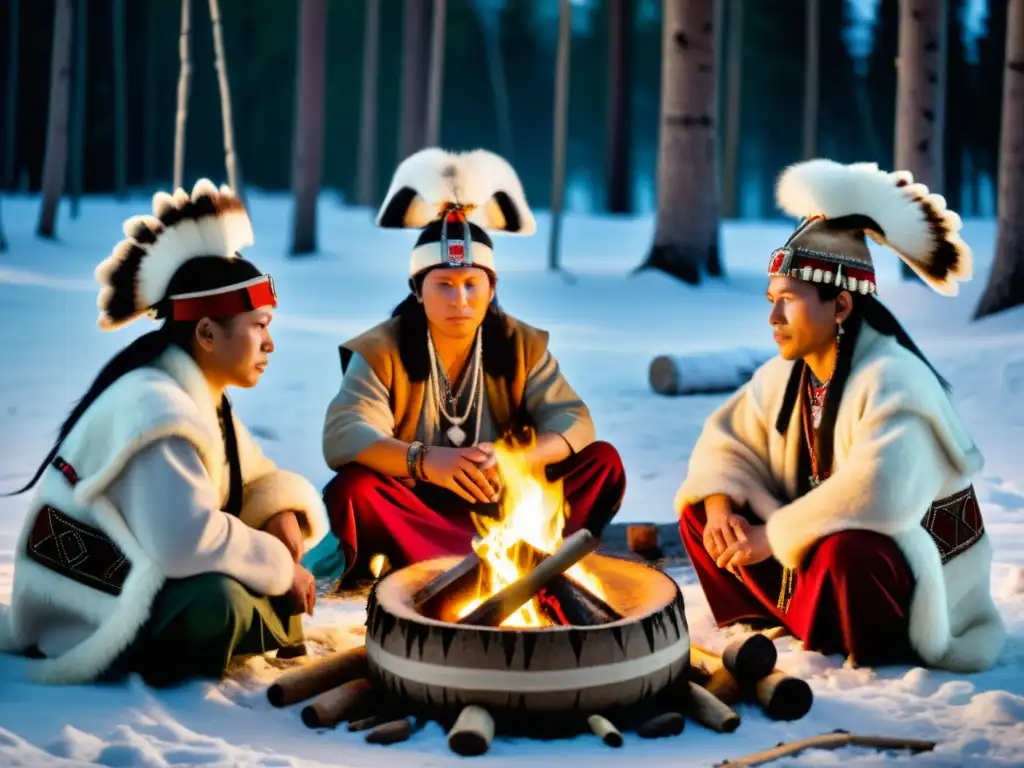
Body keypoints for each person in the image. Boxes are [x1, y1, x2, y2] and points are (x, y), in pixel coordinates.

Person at [675, 159, 1004, 672]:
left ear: (842, 307)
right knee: (702, 516)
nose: (773, 318)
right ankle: (790, 615)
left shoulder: (895, 378)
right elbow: (726, 442)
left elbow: (881, 495)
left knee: (848, 554)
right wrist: (720, 507)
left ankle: (857, 636)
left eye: (789, 300)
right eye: (771, 301)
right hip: (815, 555)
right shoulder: (788, 375)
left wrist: (772, 537)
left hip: (919, 586)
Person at [0, 180, 329, 686]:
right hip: (88, 613)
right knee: (218, 602)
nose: (270, 344)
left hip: (132, 579)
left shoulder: (197, 393)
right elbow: (186, 542)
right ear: (206, 333)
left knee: (251, 575)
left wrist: (280, 516)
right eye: (259, 325)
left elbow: (253, 474)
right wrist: (283, 570)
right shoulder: (157, 407)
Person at [321, 148, 625, 586]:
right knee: (355, 489)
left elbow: (575, 421)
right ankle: (445, 563)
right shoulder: (382, 348)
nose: (459, 300)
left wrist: (515, 458)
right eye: (443, 285)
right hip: (419, 509)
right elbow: (344, 435)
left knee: (602, 462)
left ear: (491, 287)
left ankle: (525, 550)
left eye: (470, 284)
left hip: (505, 502)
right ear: (417, 289)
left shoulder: (521, 343)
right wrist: (426, 461)